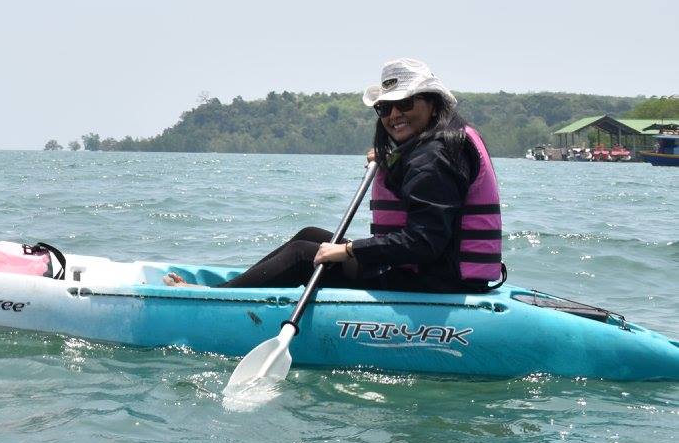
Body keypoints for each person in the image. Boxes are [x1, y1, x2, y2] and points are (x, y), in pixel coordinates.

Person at [167, 58, 504, 293]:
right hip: (432, 272)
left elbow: (424, 243)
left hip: (435, 282)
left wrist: (349, 251)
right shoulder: (437, 144)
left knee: (304, 254)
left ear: (431, 103)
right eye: (384, 108)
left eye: (405, 103)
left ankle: (220, 298)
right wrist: (392, 159)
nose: (394, 114)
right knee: (310, 233)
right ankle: (233, 291)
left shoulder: (434, 156)